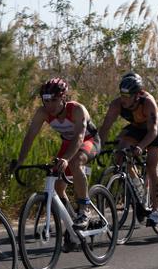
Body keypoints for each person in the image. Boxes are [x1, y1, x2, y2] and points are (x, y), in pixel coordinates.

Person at [8, 78, 101, 234]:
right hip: (67, 143)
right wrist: (20, 160)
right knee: (57, 186)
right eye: (46, 101)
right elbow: (30, 136)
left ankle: (84, 209)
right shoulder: (42, 112)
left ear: (63, 98)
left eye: (54, 100)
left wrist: (66, 158)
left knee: (75, 162)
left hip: (88, 140)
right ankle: (72, 224)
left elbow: (79, 137)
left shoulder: (77, 109)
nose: (49, 105)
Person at [96, 72, 158, 226]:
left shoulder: (148, 102)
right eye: (122, 95)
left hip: (153, 132)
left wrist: (141, 147)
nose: (124, 99)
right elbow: (106, 126)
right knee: (121, 154)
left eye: (128, 96)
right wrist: (98, 147)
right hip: (135, 129)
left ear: (138, 95)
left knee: (152, 166)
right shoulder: (116, 104)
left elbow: (153, 131)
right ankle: (138, 189)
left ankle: (155, 210)